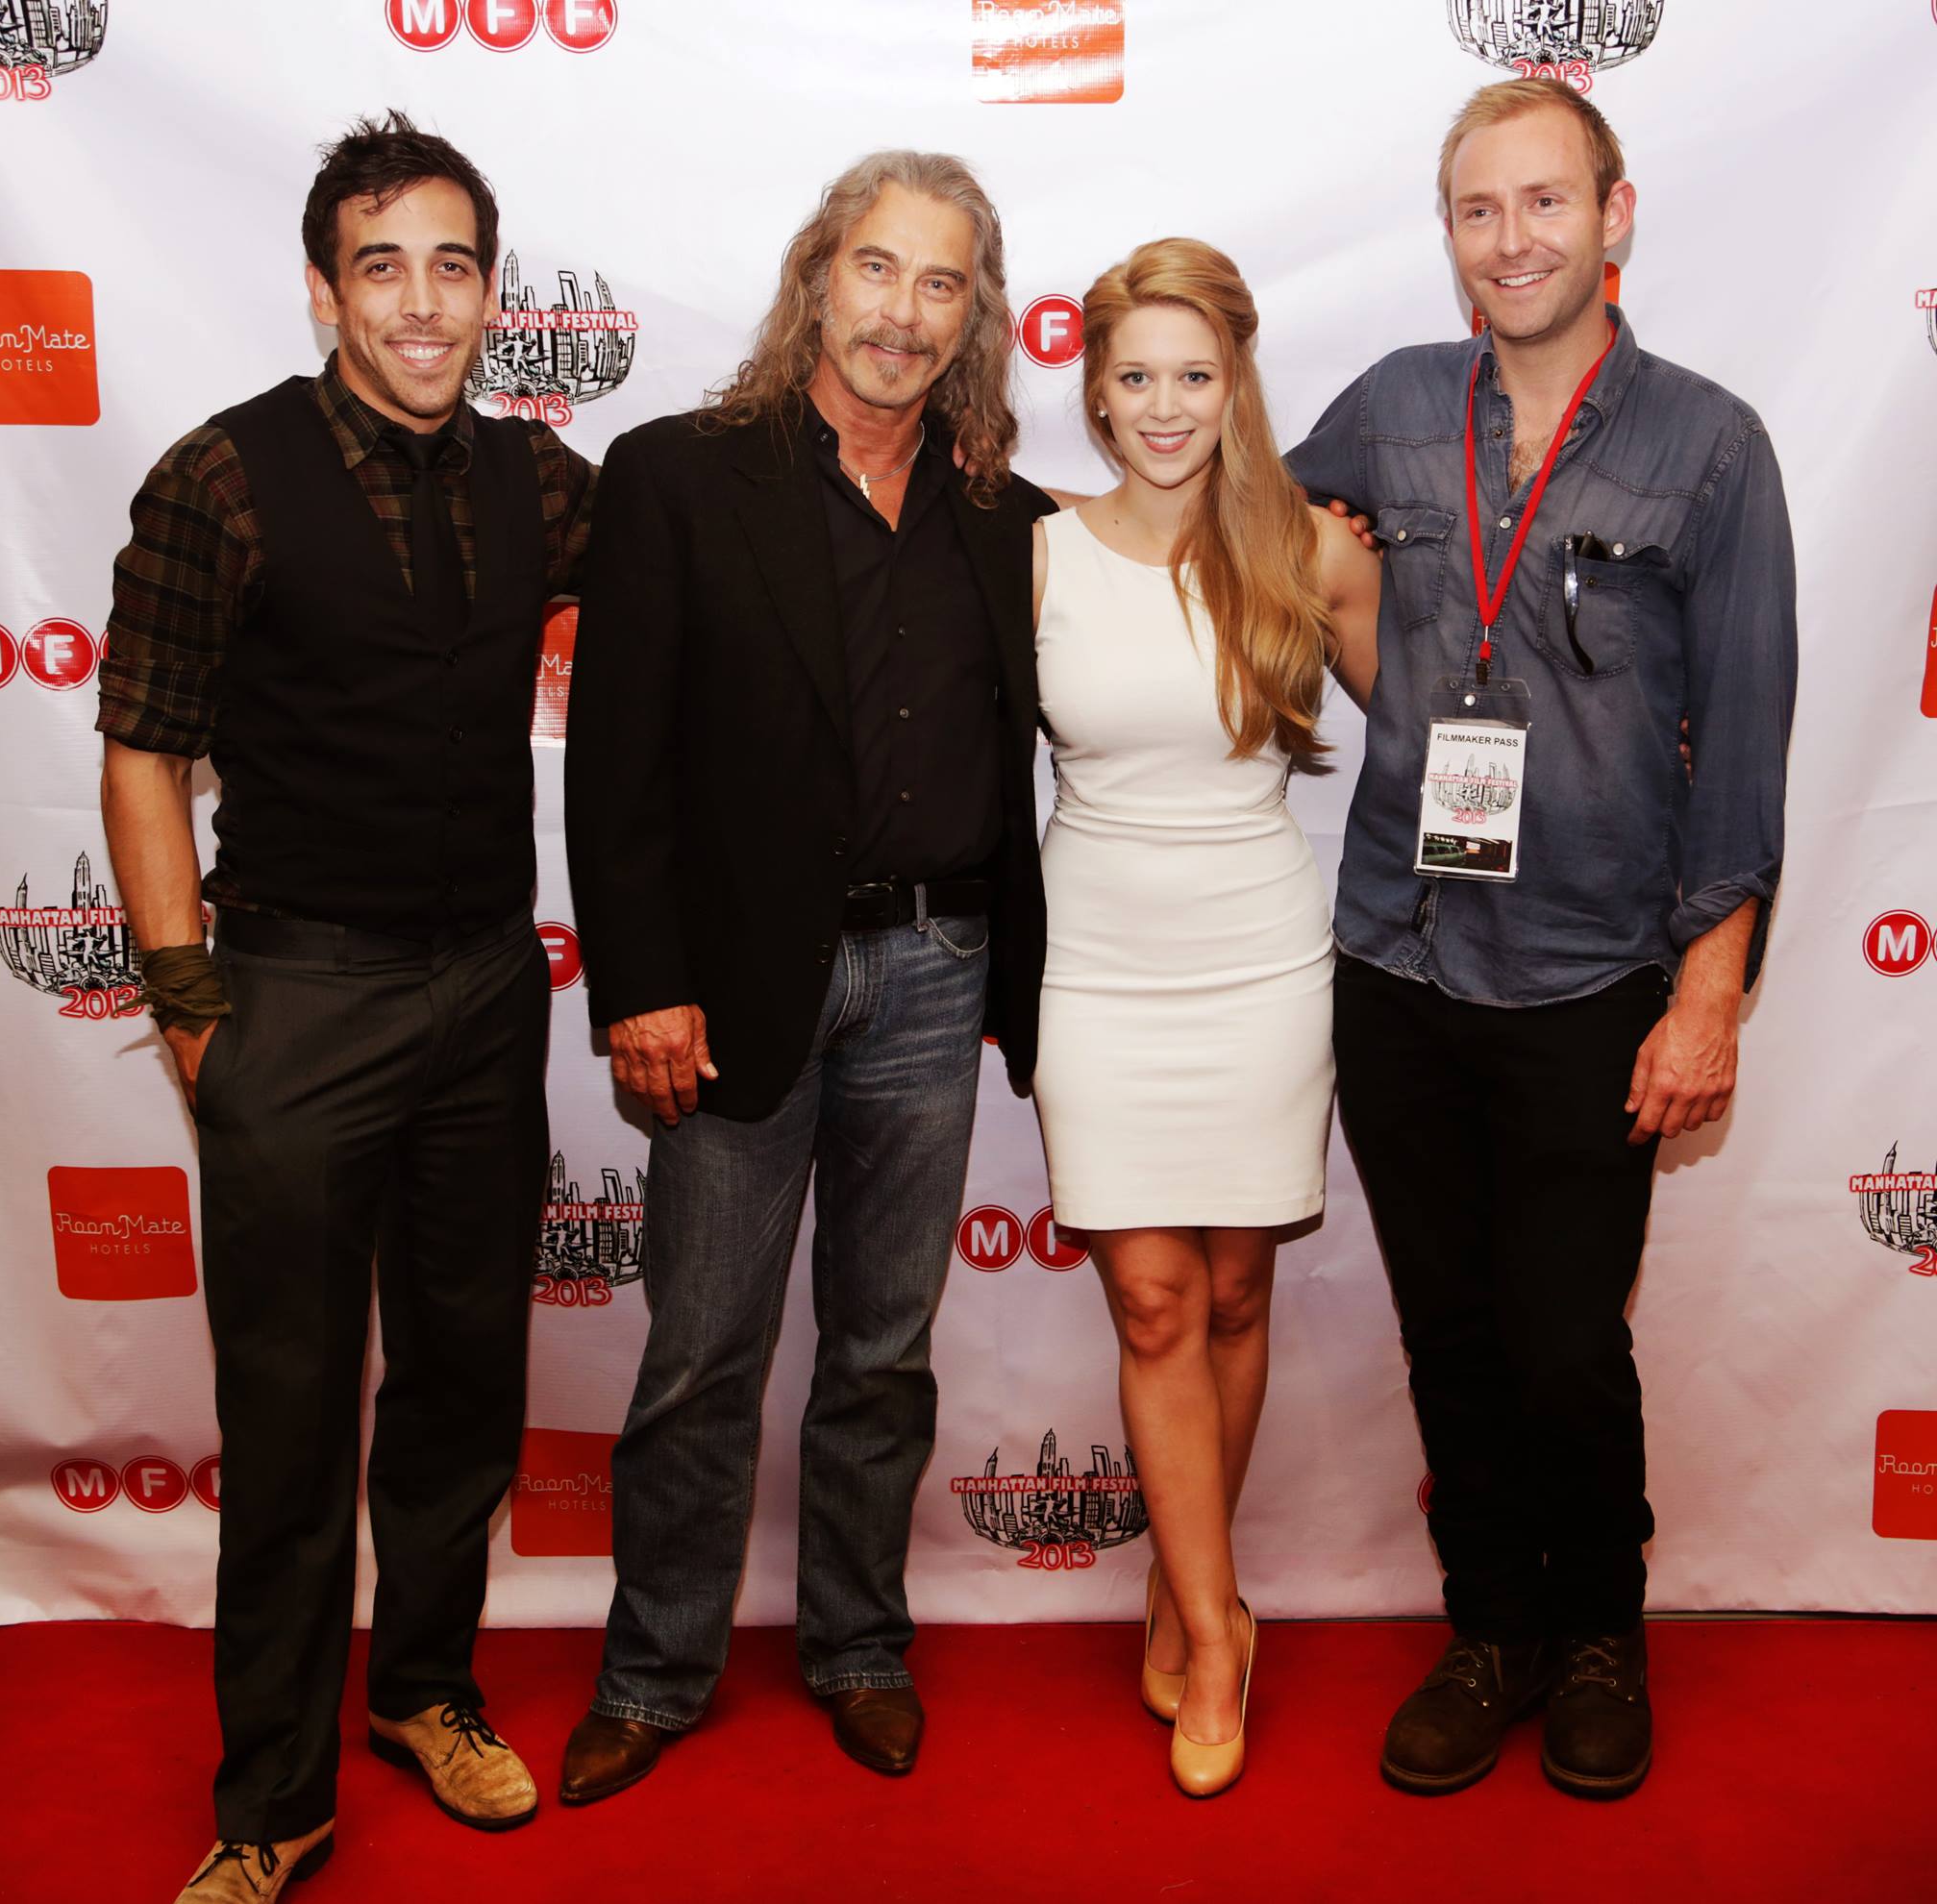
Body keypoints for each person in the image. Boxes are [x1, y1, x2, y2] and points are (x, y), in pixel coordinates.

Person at [96, 112, 595, 1900]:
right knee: (295, 1416)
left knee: (463, 1381)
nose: (423, 301)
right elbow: (143, 749)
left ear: (488, 289)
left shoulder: (544, 482)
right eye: (383, 264)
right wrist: (186, 1000)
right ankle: (273, 1800)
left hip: (486, 988)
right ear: (325, 288)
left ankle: (429, 1689)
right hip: (294, 992)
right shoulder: (216, 481)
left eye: (453, 264)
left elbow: (696, 601)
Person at [1287, 79, 1798, 1799]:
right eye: (1478, 212)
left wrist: (1710, 986)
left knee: (1569, 1341)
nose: (1513, 241)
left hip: (1594, 974)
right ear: (1449, 238)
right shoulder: (1391, 408)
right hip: (1398, 958)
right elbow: (1248, 550)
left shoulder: (1710, 446)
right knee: (1447, 1329)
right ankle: (1489, 1626)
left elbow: (1745, 738)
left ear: (1617, 212)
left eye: (1545, 204)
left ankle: (1598, 1632)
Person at [559, 150, 1056, 1802]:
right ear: (816, 277)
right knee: (701, 1345)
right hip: (730, 984)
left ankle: (857, 1645)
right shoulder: (680, 477)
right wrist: (639, 980)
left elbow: (1181, 530)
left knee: (882, 1345)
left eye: (941, 283)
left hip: (936, 966)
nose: (902, 314)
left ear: (974, 313)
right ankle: (655, 1665)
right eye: (878, 271)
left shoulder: (1003, 513)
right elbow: (613, 766)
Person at [1030, 238, 1381, 1796]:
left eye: (1193, 373)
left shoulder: (1311, 550)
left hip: (1261, 963)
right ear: (1094, 392)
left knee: (1239, 1294)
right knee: (1156, 1304)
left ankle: (1192, 1587)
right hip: (1095, 967)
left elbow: (1451, 735)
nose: (1164, 407)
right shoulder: (1032, 555)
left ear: (1235, 381)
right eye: (1133, 376)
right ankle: (1221, 1634)